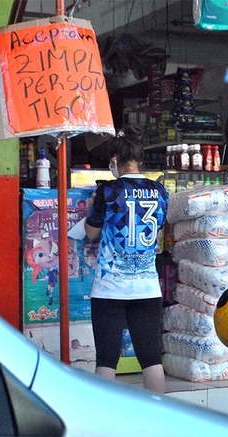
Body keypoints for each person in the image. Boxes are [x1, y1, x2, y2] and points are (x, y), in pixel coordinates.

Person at [84, 125, 169, 393]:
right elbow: (158, 228)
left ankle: (104, 425)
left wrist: (90, 211)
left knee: (107, 361)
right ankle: (158, 422)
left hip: (110, 288)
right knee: (151, 360)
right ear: (140, 161)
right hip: (147, 287)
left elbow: (90, 232)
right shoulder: (160, 192)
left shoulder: (108, 191)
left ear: (115, 161)